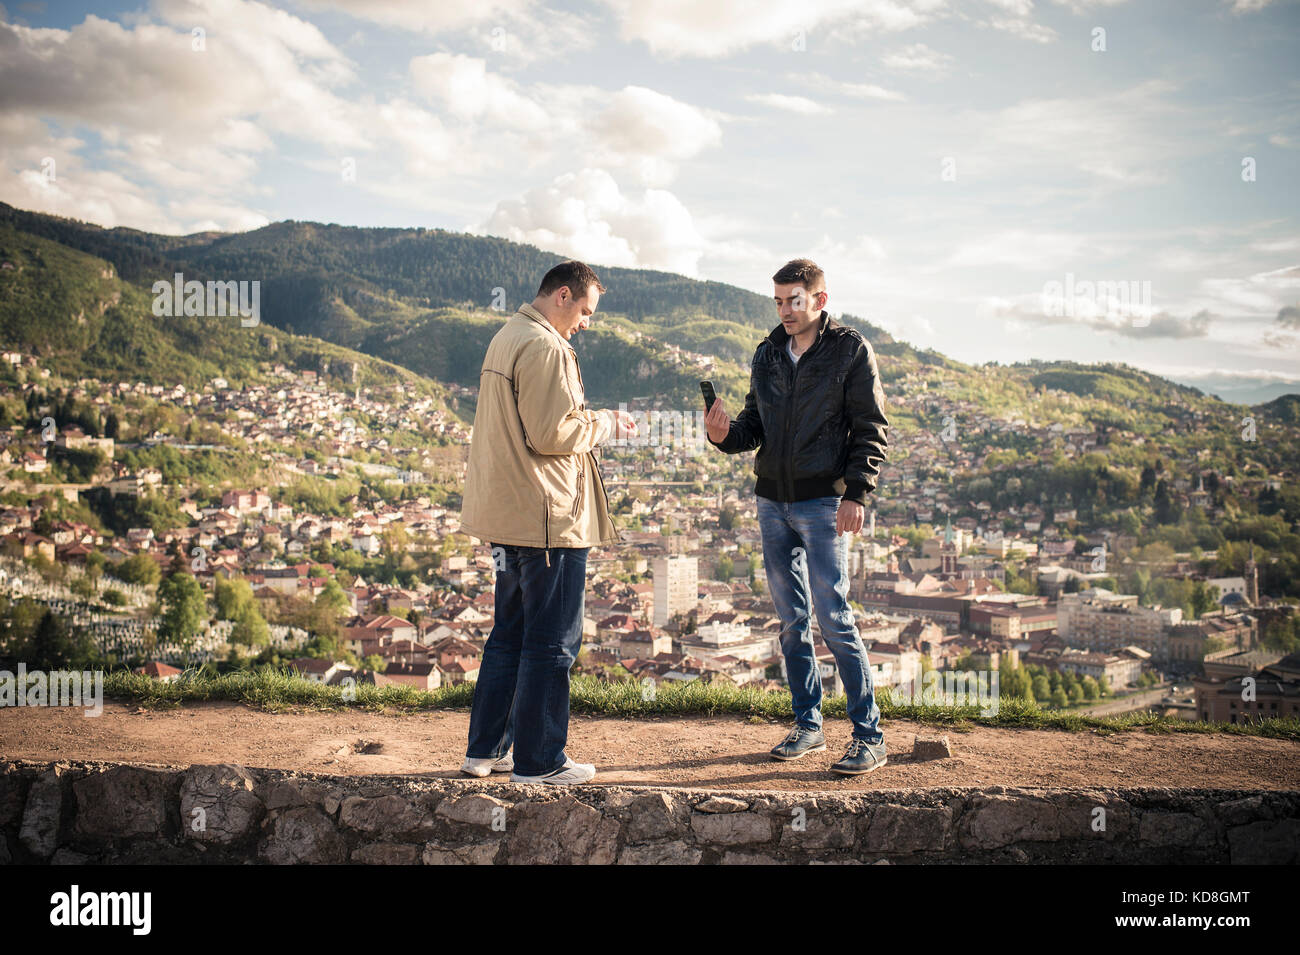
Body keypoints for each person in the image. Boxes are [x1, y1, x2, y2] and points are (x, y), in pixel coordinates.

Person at [705, 258, 890, 775]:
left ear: (820, 300)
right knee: (791, 623)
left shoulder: (850, 350)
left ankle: (868, 734)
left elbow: (871, 426)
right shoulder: (767, 353)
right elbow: (752, 429)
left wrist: (856, 492)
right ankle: (809, 726)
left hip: (823, 503)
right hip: (772, 502)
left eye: (795, 300)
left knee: (833, 617)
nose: (785, 311)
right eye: (779, 302)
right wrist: (724, 436)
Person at [459, 260, 635, 785]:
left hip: (508, 515)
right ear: (563, 295)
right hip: (547, 519)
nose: (587, 322)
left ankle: (486, 751)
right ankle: (539, 763)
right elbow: (552, 433)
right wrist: (607, 423)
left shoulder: (506, 336)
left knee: (508, 634)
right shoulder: (546, 347)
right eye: (585, 310)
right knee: (553, 640)